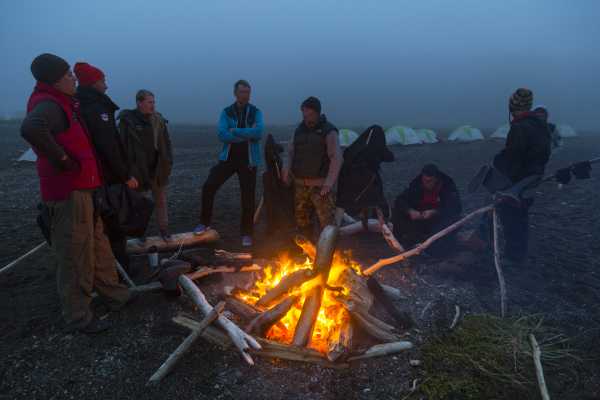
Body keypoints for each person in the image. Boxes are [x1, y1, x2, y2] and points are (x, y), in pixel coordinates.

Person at [21, 53, 131, 333]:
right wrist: (63, 160)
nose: (73, 79)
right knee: (75, 253)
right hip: (69, 192)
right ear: (55, 80)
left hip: (85, 188)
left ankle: (115, 295)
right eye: (68, 75)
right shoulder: (49, 104)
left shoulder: (64, 102)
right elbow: (31, 127)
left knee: (98, 245)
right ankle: (78, 315)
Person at [74, 62, 138, 272]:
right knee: (114, 224)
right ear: (93, 82)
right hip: (106, 178)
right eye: (103, 81)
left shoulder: (79, 104)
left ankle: (110, 270)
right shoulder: (96, 108)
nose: (106, 85)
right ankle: (120, 271)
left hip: (92, 176)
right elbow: (108, 145)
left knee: (102, 224)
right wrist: (125, 175)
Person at [193, 80, 264, 247]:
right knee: (209, 186)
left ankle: (247, 233)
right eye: (242, 92)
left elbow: (258, 132)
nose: (245, 95)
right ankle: (204, 222)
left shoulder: (256, 112)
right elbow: (222, 134)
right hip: (228, 158)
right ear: (235, 93)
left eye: (248, 92)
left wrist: (236, 131)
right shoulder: (227, 112)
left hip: (249, 160)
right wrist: (246, 135)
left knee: (248, 197)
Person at [486, 88, 551, 262]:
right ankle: (518, 254)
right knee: (521, 218)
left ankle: (513, 257)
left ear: (513, 107)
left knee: (511, 217)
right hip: (533, 179)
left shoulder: (520, 127)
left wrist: (499, 163)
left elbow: (513, 157)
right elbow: (543, 154)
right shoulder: (540, 125)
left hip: (517, 183)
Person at [282, 96, 343, 238]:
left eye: (309, 113)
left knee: (327, 224)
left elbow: (336, 158)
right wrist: (286, 170)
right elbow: (289, 152)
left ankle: (329, 251)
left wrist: (329, 183)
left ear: (317, 112)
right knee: (302, 222)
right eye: (303, 113)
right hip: (300, 185)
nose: (305, 116)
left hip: (321, 187)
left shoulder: (329, 131)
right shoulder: (299, 130)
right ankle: (307, 248)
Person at [119, 89, 173, 241]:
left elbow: (166, 143)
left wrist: (168, 162)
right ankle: (140, 233)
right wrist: (128, 170)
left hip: (157, 168)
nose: (153, 105)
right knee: (139, 204)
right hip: (138, 170)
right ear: (139, 103)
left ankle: (164, 230)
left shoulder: (158, 120)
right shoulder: (128, 121)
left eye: (153, 102)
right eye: (149, 102)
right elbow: (122, 145)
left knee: (161, 201)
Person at [393, 164, 462, 256]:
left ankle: (435, 247)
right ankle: (407, 241)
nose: (426, 183)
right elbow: (400, 200)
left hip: (439, 218)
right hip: (421, 216)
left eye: (429, 181)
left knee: (449, 223)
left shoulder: (447, 186)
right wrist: (410, 211)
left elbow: (455, 207)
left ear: (436, 179)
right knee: (399, 213)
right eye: (424, 180)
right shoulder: (417, 184)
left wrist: (435, 212)